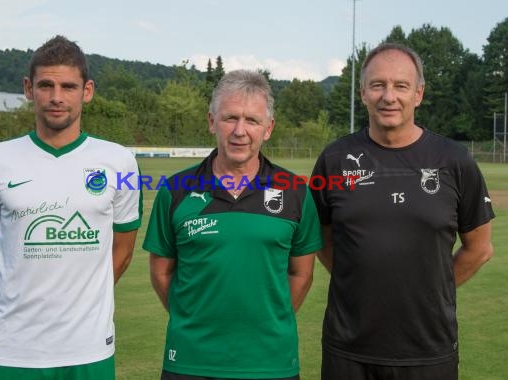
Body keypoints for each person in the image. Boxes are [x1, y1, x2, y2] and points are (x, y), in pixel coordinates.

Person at [311, 42, 495, 380]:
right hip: (348, 349)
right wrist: (359, 281)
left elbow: (480, 248)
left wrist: (432, 289)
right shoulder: (335, 159)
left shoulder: (454, 161)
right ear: (363, 92)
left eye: (400, 85)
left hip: (428, 349)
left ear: (419, 94)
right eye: (378, 84)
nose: (388, 96)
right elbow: (320, 236)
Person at [0, 35, 142, 380]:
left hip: (89, 348)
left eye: (68, 86)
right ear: (29, 88)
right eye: (46, 85)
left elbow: (123, 250)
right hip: (11, 349)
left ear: (86, 91)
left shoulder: (122, 163)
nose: (57, 97)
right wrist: (14, 307)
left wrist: (85, 301)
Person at [143, 70, 322, 380]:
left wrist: (267, 320)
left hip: (271, 363)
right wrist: (193, 317)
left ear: (268, 128)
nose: (240, 131)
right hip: (189, 361)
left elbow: (301, 273)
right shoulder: (175, 190)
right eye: (230, 118)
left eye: (252, 121)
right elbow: (161, 272)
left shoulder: (295, 192)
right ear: (212, 122)